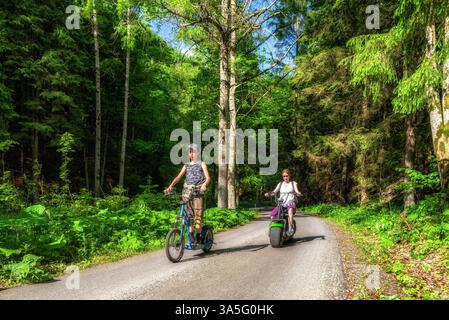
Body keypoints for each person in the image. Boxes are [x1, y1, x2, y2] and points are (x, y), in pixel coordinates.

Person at [164, 144, 210, 244]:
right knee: (188, 216)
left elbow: (208, 178)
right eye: (190, 152)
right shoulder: (186, 165)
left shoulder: (202, 164)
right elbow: (179, 177)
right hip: (187, 193)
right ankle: (191, 235)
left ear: (197, 153)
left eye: (193, 152)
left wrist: (204, 185)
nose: (192, 154)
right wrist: (170, 186)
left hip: (198, 193)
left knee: (198, 217)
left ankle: (198, 236)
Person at [265, 169, 301, 236]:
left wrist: (298, 193)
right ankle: (272, 229)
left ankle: (290, 229)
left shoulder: (293, 183)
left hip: (291, 204)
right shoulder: (280, 184)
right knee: (272, 214)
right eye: (284, 176)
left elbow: (297, 191)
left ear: (289, 175)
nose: (285, 177)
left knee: (290, 211)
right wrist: (269, 194)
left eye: (286, 176)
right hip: (281, 204)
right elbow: (274, 192)